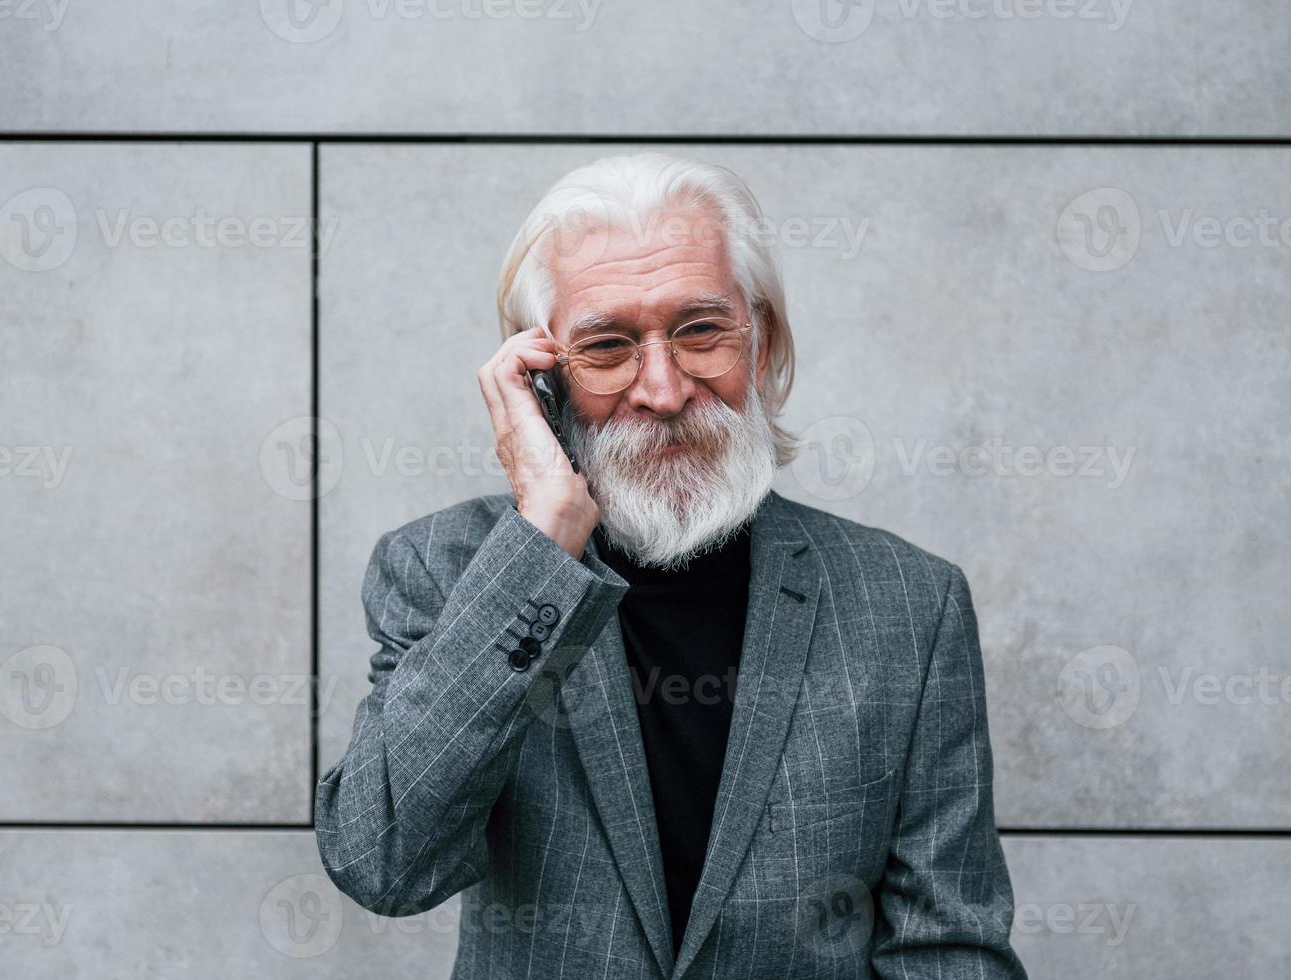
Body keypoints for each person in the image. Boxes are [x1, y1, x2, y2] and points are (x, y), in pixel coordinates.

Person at [315, 152, 1027, 979]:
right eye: (608, 345)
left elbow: (948, 950)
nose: (661, 387)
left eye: (698, 331)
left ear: (759, 346)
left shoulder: (911, 602)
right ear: (541, 379)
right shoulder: (445, 571)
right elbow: (383, 863)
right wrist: (542, 541)